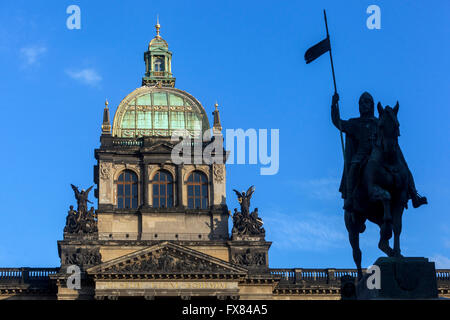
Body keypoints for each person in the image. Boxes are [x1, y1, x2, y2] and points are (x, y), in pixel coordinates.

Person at [331, 92, 427, 212]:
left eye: (366, 102)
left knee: (403, 164)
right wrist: (333, 104)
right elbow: (338, 122)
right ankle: (350, 198)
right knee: (354, 166)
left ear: (372, 105)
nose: (363, 105)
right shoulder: (354, 123)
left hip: (380, 153)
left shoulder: (379, 122)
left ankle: (414, 195)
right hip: (362, 153)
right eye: (360, 103)